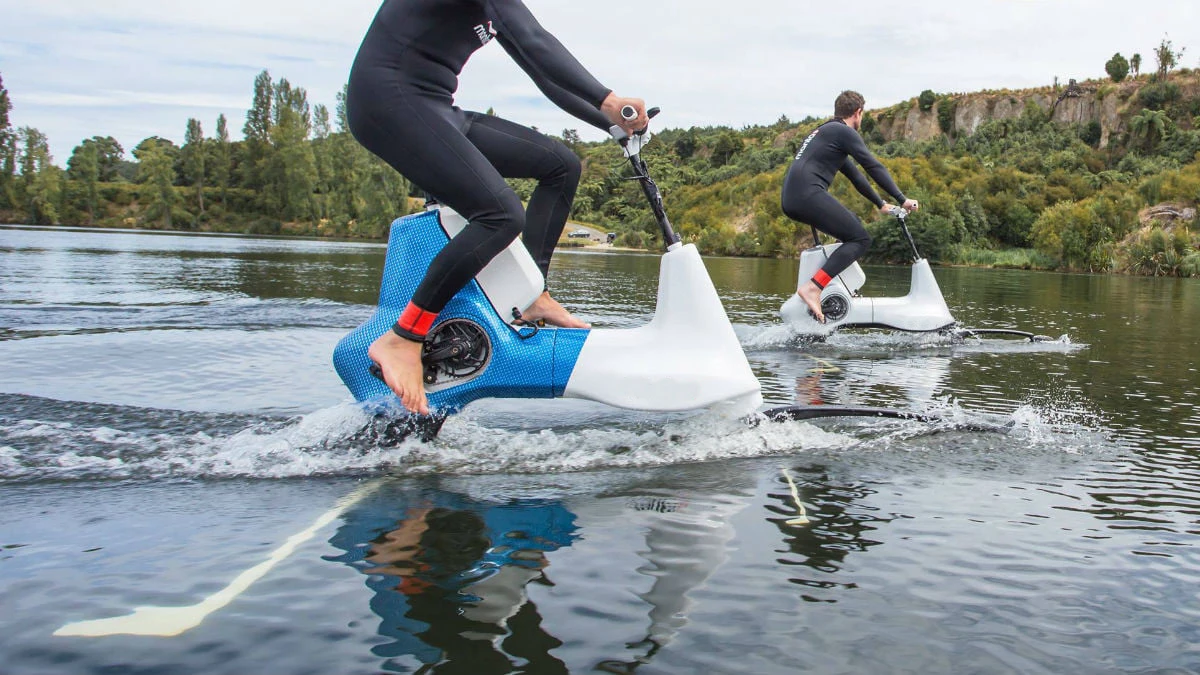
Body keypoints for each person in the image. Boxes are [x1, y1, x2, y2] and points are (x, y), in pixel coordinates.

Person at [346, 0, 647, 415]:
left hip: (433, 105)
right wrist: (609, 97)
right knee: (502, 215)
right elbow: (536, 40)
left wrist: (613, 124)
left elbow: (540, 70)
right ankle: (403, 338)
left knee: (561, 166)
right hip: (389, 102)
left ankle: (530, 296)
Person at [781, 90, 919, 323]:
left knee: (851, 226)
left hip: (792, 198)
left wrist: (881, 204)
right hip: (807, 195)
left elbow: (857, 177)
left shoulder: (828, 133)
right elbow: (872, 166)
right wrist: (901, 198)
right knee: (861, 239)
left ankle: (827, 295)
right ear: (858, 113)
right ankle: (814, 288)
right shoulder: (843, 132)